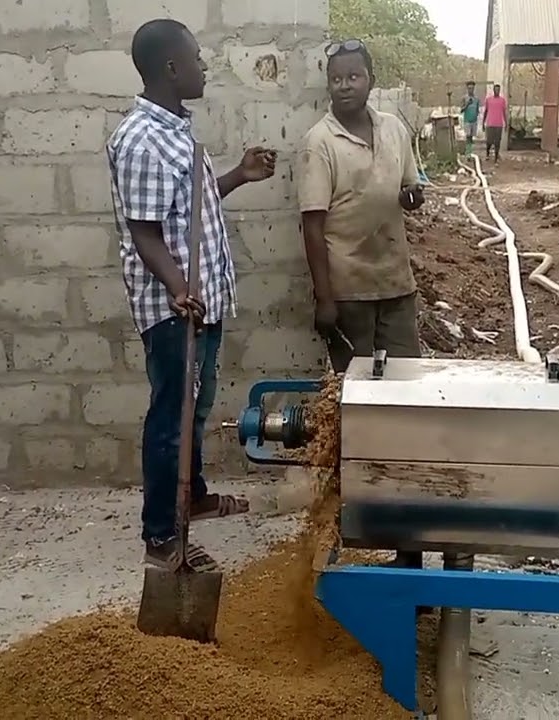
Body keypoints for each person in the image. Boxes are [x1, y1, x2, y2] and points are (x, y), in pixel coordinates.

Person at [108, 18, 277, 573]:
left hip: (198, 299)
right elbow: (145, 232)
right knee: (171, 417)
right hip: (173, 307)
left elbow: (192, 206)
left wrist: (238, 176)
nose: (205, 67)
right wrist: (180, 288)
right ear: (172, 68)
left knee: (196, 407)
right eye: (198, 59)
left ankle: (194, 495)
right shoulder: (140, 139)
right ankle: (161, 536)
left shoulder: (177, 129)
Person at [297, 39, 426, 571]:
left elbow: (411, 188)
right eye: (336, 78)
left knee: (408, 408)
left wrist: (412, 197)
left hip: (397, 286)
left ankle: (407, 547)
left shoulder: (394, 129)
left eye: (354, 76)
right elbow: (311, 223)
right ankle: (348, 528)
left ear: (370, 79)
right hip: (348, 296)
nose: (345, 86)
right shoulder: (318, 143)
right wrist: (325, 298)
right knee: (358, 413)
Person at [482, 83, 509, 163]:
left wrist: (506, 123)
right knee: (489, 141)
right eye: (495, 89)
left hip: (499, 124)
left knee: (497, 141)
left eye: (498, 90)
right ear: (493, 90)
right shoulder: (489, 100)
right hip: (490, 123)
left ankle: (496, 157)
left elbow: (504, 112)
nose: (497, 91)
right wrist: (483, 122)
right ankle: (487, 154)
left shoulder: (502, 100)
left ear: (499, 91)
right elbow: (486, 111)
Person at [460, 81, 480, 156]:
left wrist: (476, 115)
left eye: (472, 88)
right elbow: (461, 110)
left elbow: (477, 109)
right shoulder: (464, 98)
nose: (470, 90)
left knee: (471, 137)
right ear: (467, 89)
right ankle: (467, 152)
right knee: (468, 136)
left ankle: (470, 151)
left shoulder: (476, 99)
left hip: (474, 120)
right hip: (467, 120)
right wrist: (467, 104)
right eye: (469, 88)